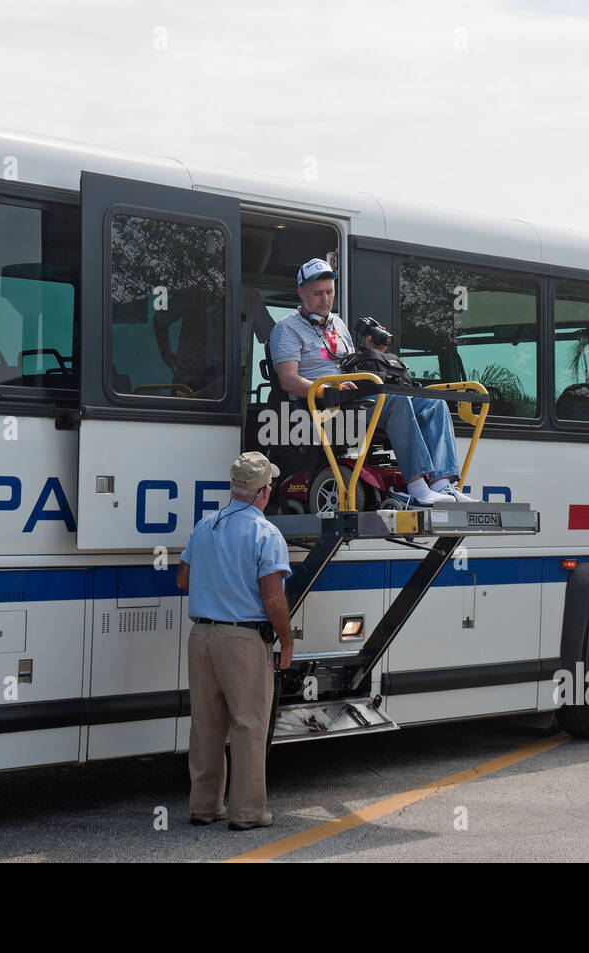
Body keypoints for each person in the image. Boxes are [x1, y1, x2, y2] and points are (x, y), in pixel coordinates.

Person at [268, 258, 472, 505]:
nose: (325, 299)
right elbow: (288, 380)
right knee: (395, 401)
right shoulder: (287, 328)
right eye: (318, 293)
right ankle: (417, 486)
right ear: (301, 292)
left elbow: (347, 365)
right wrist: (326, 390)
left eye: (329, 292)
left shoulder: (338, 325)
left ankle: (442, 484)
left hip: (354, 401)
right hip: (322, 408)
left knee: (433, 404)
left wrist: (373, 351)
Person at [177, 451, 294, 830]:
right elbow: (273, 597)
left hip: (201, 636)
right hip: (242, 639)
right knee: (248, 724)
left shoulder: (204, 526)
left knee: (206, 725)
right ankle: (247, 813)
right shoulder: (266, 533)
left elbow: (182, 580)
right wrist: (287, 643)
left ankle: (204, 807)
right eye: (270, 485)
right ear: (263, 491)